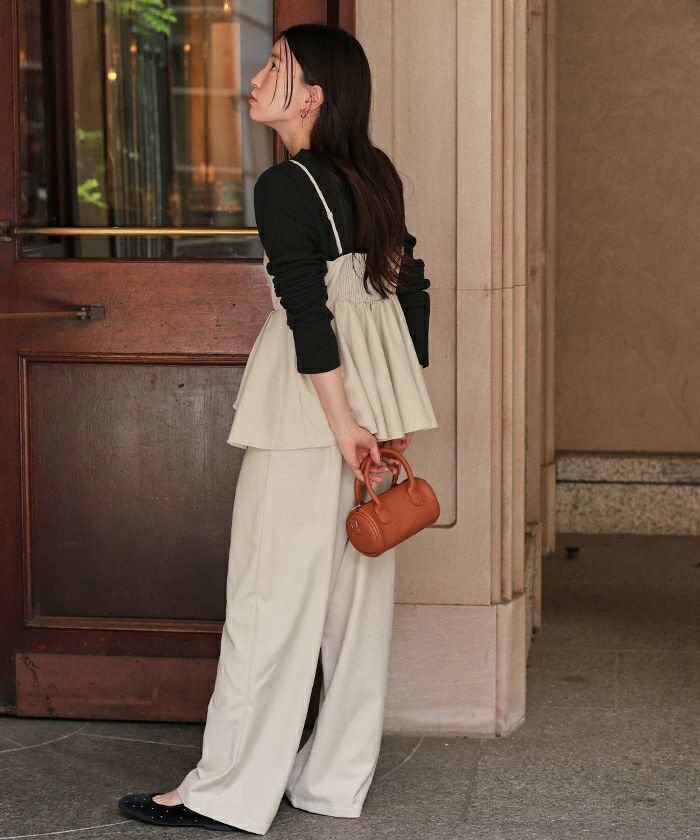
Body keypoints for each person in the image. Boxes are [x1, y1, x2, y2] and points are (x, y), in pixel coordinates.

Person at [118, 22, 438, 835]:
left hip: (312, 412)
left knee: (267, 602)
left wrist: (341, 425)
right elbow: (410, 287)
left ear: (313, 96)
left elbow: (307, 313)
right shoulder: (375, 175)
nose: (258, 78)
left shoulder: (287, 184)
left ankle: (226, 791)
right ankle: (331, 782)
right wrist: (388, 409)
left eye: (277, 67)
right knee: (354, 613)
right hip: (371, 409)